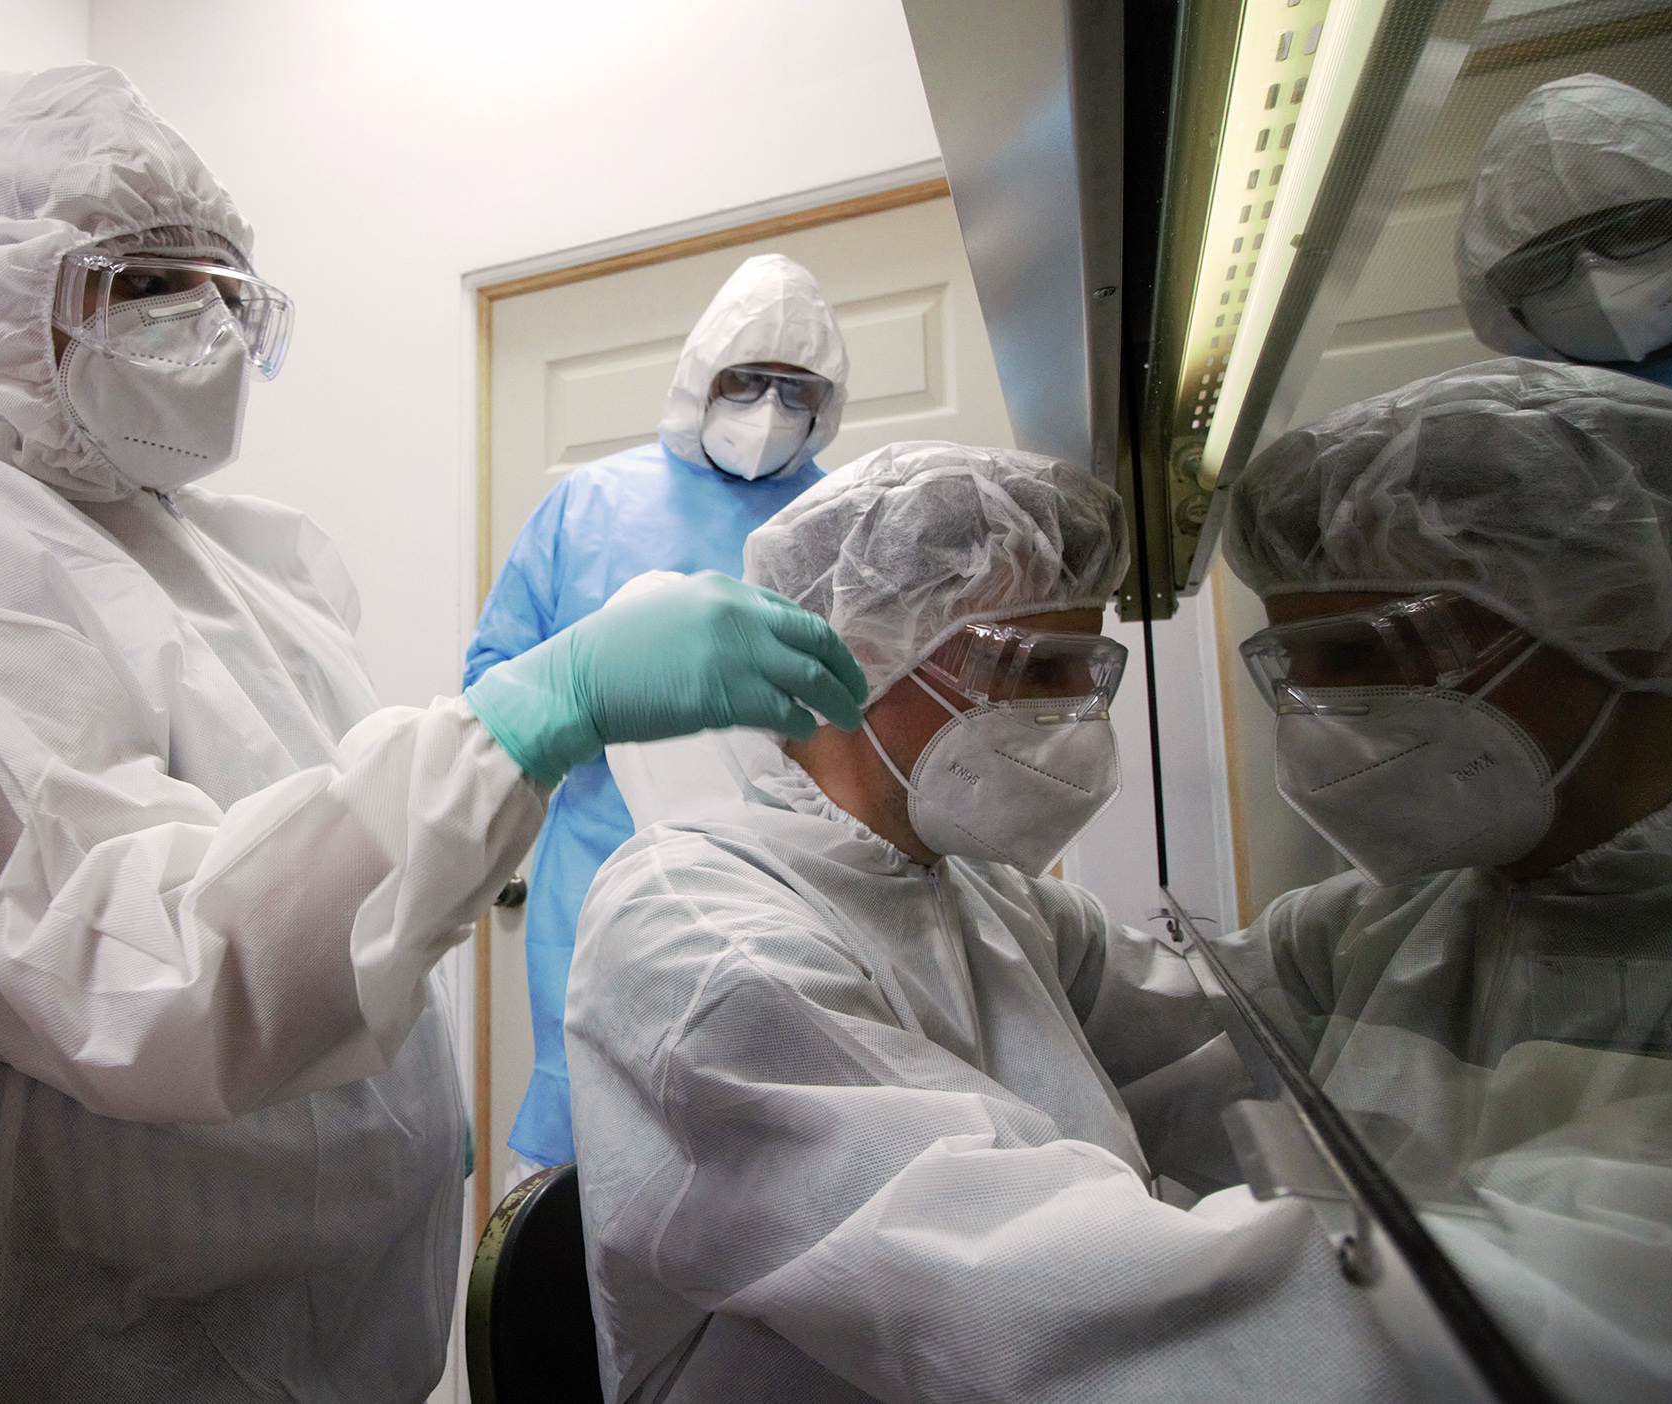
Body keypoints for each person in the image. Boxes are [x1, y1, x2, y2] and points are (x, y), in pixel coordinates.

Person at [0, 64, 867, 1403]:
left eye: (225, 291)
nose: (208, 330)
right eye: (147, 283)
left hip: (318, 1320)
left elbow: (326, 866)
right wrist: (544, 709)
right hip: (105, 1322)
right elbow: (157, 968)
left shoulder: (235, 560)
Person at [566, 441, 1414, 1402]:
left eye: (1088, 672)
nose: (1077, 722)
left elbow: (1208, 1022)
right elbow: (1015, 1281)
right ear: (857, 658)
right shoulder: (705, 935)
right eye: (1034, 669)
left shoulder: (967, 886)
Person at [1216, 358, 1672, 1403]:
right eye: (1295, 663)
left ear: (1624, 618)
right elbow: (1136, 1015)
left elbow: (1434, 1339)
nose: (1315, 712)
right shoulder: (1414, 915)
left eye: (1363, 649)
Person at [463, 252, 844, 1181]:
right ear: (698, 379)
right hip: (599, 874)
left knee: (770, 1156)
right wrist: (594, 701)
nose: (766, 411)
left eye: (796, 391)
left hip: (793, 890)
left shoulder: (839, 516)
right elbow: (497, 687)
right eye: (745, 382)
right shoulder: (590, 505)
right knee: (589, 1161)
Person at [1457, 74, 1672, 390]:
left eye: (1630, 229)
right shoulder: (1526, 429)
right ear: (1512, 312)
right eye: (1541, 263)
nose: (1594, 277)